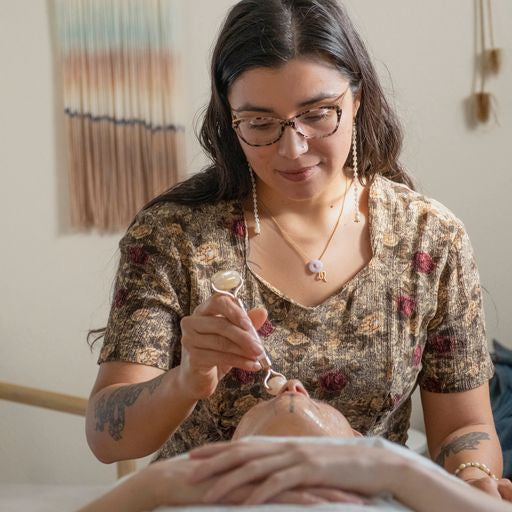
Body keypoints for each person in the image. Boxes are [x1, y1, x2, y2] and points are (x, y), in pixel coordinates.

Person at [85, 0, 509, 500]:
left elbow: (463, 425)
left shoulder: (431, 239)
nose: (293, 149)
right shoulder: (173, 237)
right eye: (260, 124)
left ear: (357, 99)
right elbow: (106, 437)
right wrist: (185, 381)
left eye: (316, 114)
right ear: (229, 119)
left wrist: (470, 476)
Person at [79, 381, 512, 511]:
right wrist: (157, 484)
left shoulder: (393, 484)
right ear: (230, 443)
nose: (290, 387)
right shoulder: (192, 488)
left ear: (359, 441)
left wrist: (391, 467)